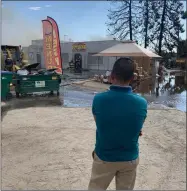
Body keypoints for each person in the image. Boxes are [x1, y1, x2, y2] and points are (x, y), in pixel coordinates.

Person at [88, 57, 147, 190]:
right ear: (132, 78)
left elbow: (101, 124)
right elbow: (138, 128)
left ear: (112, 76)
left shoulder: (98, 99)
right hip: (129, 158)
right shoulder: (141, 103)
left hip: (104, 156)